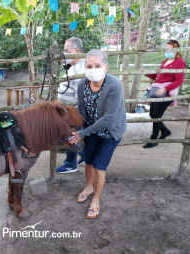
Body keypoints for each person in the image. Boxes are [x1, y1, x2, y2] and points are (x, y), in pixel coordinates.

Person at [68, 49, 126, 219]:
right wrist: (77, 127)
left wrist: (82, 133)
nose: (93, 69)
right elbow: (81, 109)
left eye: (97, 66)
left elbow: (109, 118)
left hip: (110, 132)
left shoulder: (114, 86)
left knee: (99, 168)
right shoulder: (82, 85)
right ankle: (88, 187)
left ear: (106, 67)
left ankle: (96, 200)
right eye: (89, 66)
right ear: (85, 67)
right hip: (91, 130)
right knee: (88, 162)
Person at [143, 39, 186, 148]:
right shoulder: (165, 61)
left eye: (170, 49)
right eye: (166, 49)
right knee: (152, 114)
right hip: (157, 91)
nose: (167, 51)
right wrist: (146, 72)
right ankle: (165, 131)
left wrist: (165, 89)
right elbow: (158, 76)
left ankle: (153, 139)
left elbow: (179, 81)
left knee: (156, 116)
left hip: (167, 93)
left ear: (176, 50)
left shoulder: (180, 62)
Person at [56, 37, 86, 174]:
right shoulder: (76, 67)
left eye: (66, 51)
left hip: (72, 112)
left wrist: (70, 116)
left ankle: (70, 164)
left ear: (77, 51)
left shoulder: (80, 71)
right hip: (69, 110)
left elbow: (79, 100)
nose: (64, 54)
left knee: (72, 135)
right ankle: (84, 157)